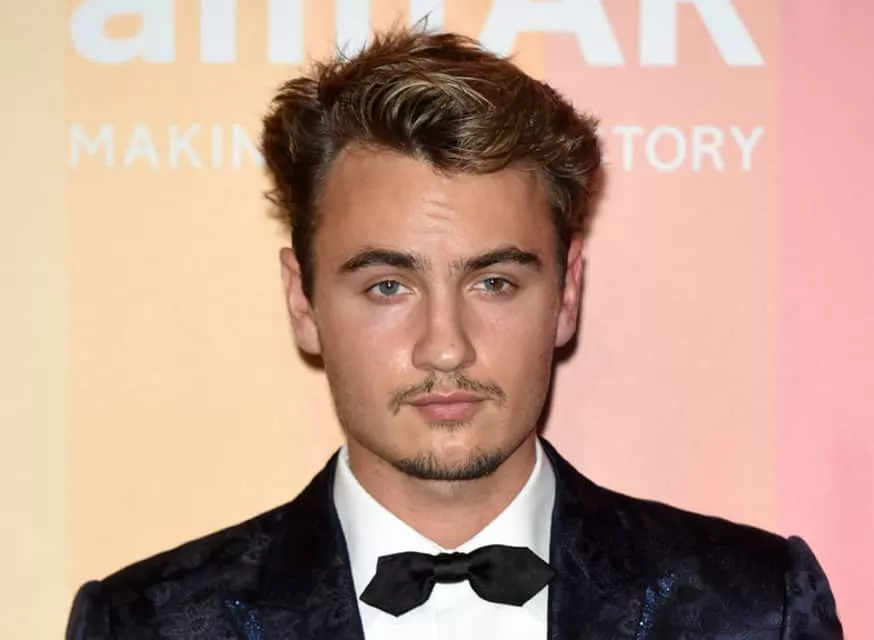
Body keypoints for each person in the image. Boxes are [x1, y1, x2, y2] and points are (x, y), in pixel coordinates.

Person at [66, 27, 842, 640]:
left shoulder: (755, 606)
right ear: (302, 299)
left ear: (567, 293)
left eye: (493, 282)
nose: (446, 347)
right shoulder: (146, 623)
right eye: (388, 286)